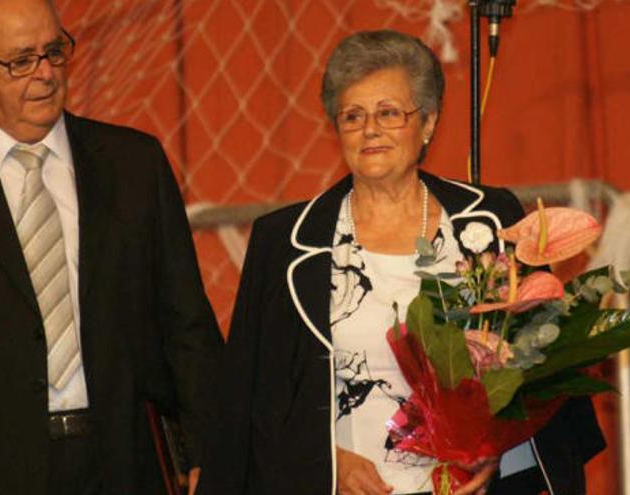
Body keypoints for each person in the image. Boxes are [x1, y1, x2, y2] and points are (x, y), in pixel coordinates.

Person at [199, 30, 605, 495]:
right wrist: (326, 461)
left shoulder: (491, 220)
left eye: (389, 113)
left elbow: (543, 363)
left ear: (428, 122)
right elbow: (251, 399)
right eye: (352, 116)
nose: (370, 129)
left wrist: (495, 443)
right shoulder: (286, 241)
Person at [0, 0, 222, 494]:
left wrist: (215, 454)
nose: (46, 73)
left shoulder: (134, 164)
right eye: (21, 60)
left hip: (121, 462)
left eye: (55, 51)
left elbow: (187, 327)